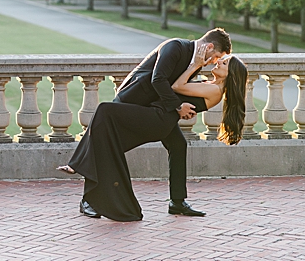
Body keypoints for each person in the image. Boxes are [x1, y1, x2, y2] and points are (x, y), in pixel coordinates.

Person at [58, 30, 247, 222]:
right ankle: (177, 202)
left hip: (159, 116)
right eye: (216, 57)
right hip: (147, 106)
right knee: (176, 145)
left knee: (104, 115)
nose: (214, 62)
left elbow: (175, 87)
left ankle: (78, 169)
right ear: (209, 47)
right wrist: (178, 105)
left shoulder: (207, 79)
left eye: (221, 61)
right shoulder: (176, 48)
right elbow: (159, 80)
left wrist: (179, 100)